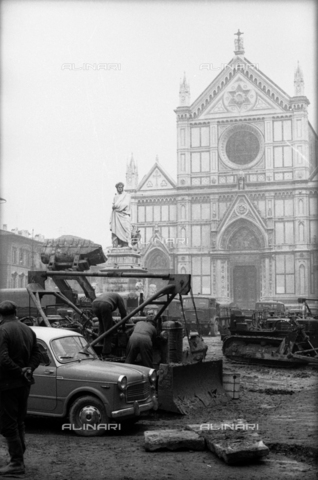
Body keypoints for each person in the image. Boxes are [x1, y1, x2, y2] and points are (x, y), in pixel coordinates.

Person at [0, 301, 41, 476]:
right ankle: (17, 457)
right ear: (16, 312)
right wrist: (28, 369)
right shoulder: (28, 329)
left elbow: (2, 359)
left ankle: (17, 463)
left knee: (8, 425)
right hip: (24, 384)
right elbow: (37, 354)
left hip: (7, 385)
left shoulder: (2, 331)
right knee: (19, 421)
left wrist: (18, 372)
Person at [110, 182, 132, 248]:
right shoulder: (115, 197)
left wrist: (116, 207)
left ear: (123, 188)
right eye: (118, 187)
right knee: (117, 229)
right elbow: (113, 206)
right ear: (117, 188)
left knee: (127, 228)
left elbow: (125, 204)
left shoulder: (127, 196)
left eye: (121, 187)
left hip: (125, 215)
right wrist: (115, 207)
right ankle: (119, 243)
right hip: (117, 216)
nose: (120, 189)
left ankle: (127, 243)